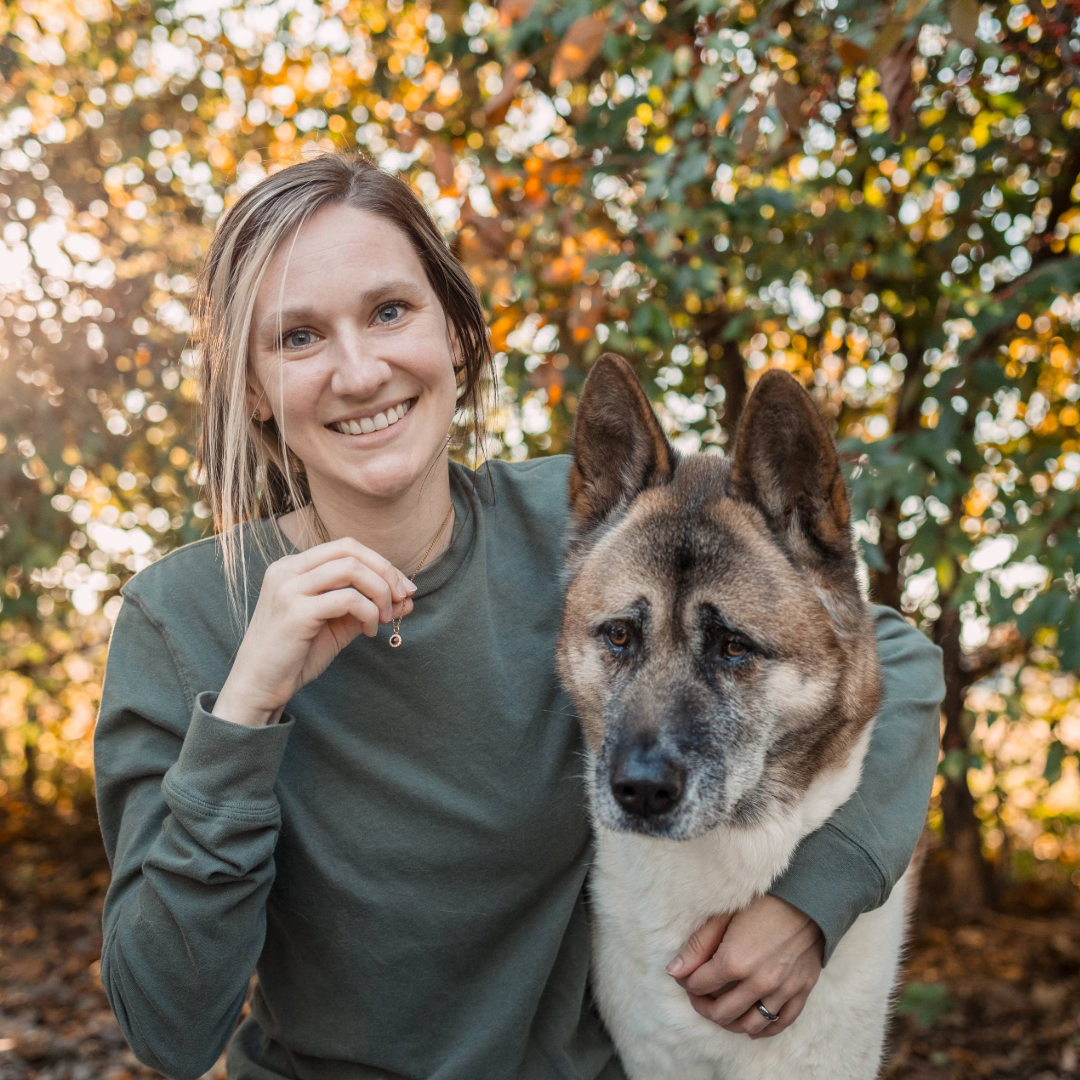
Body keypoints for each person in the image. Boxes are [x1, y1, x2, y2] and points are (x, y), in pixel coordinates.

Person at [92, 150, 946, 1080]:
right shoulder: (181, 617)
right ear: (252, 387)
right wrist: (245, 708)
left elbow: (889, 655)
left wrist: (816, 900)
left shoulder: (597, 533)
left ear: (455, 332)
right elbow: (168, 1029)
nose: (359, 368)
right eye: (298, 338)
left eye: (389, 311)